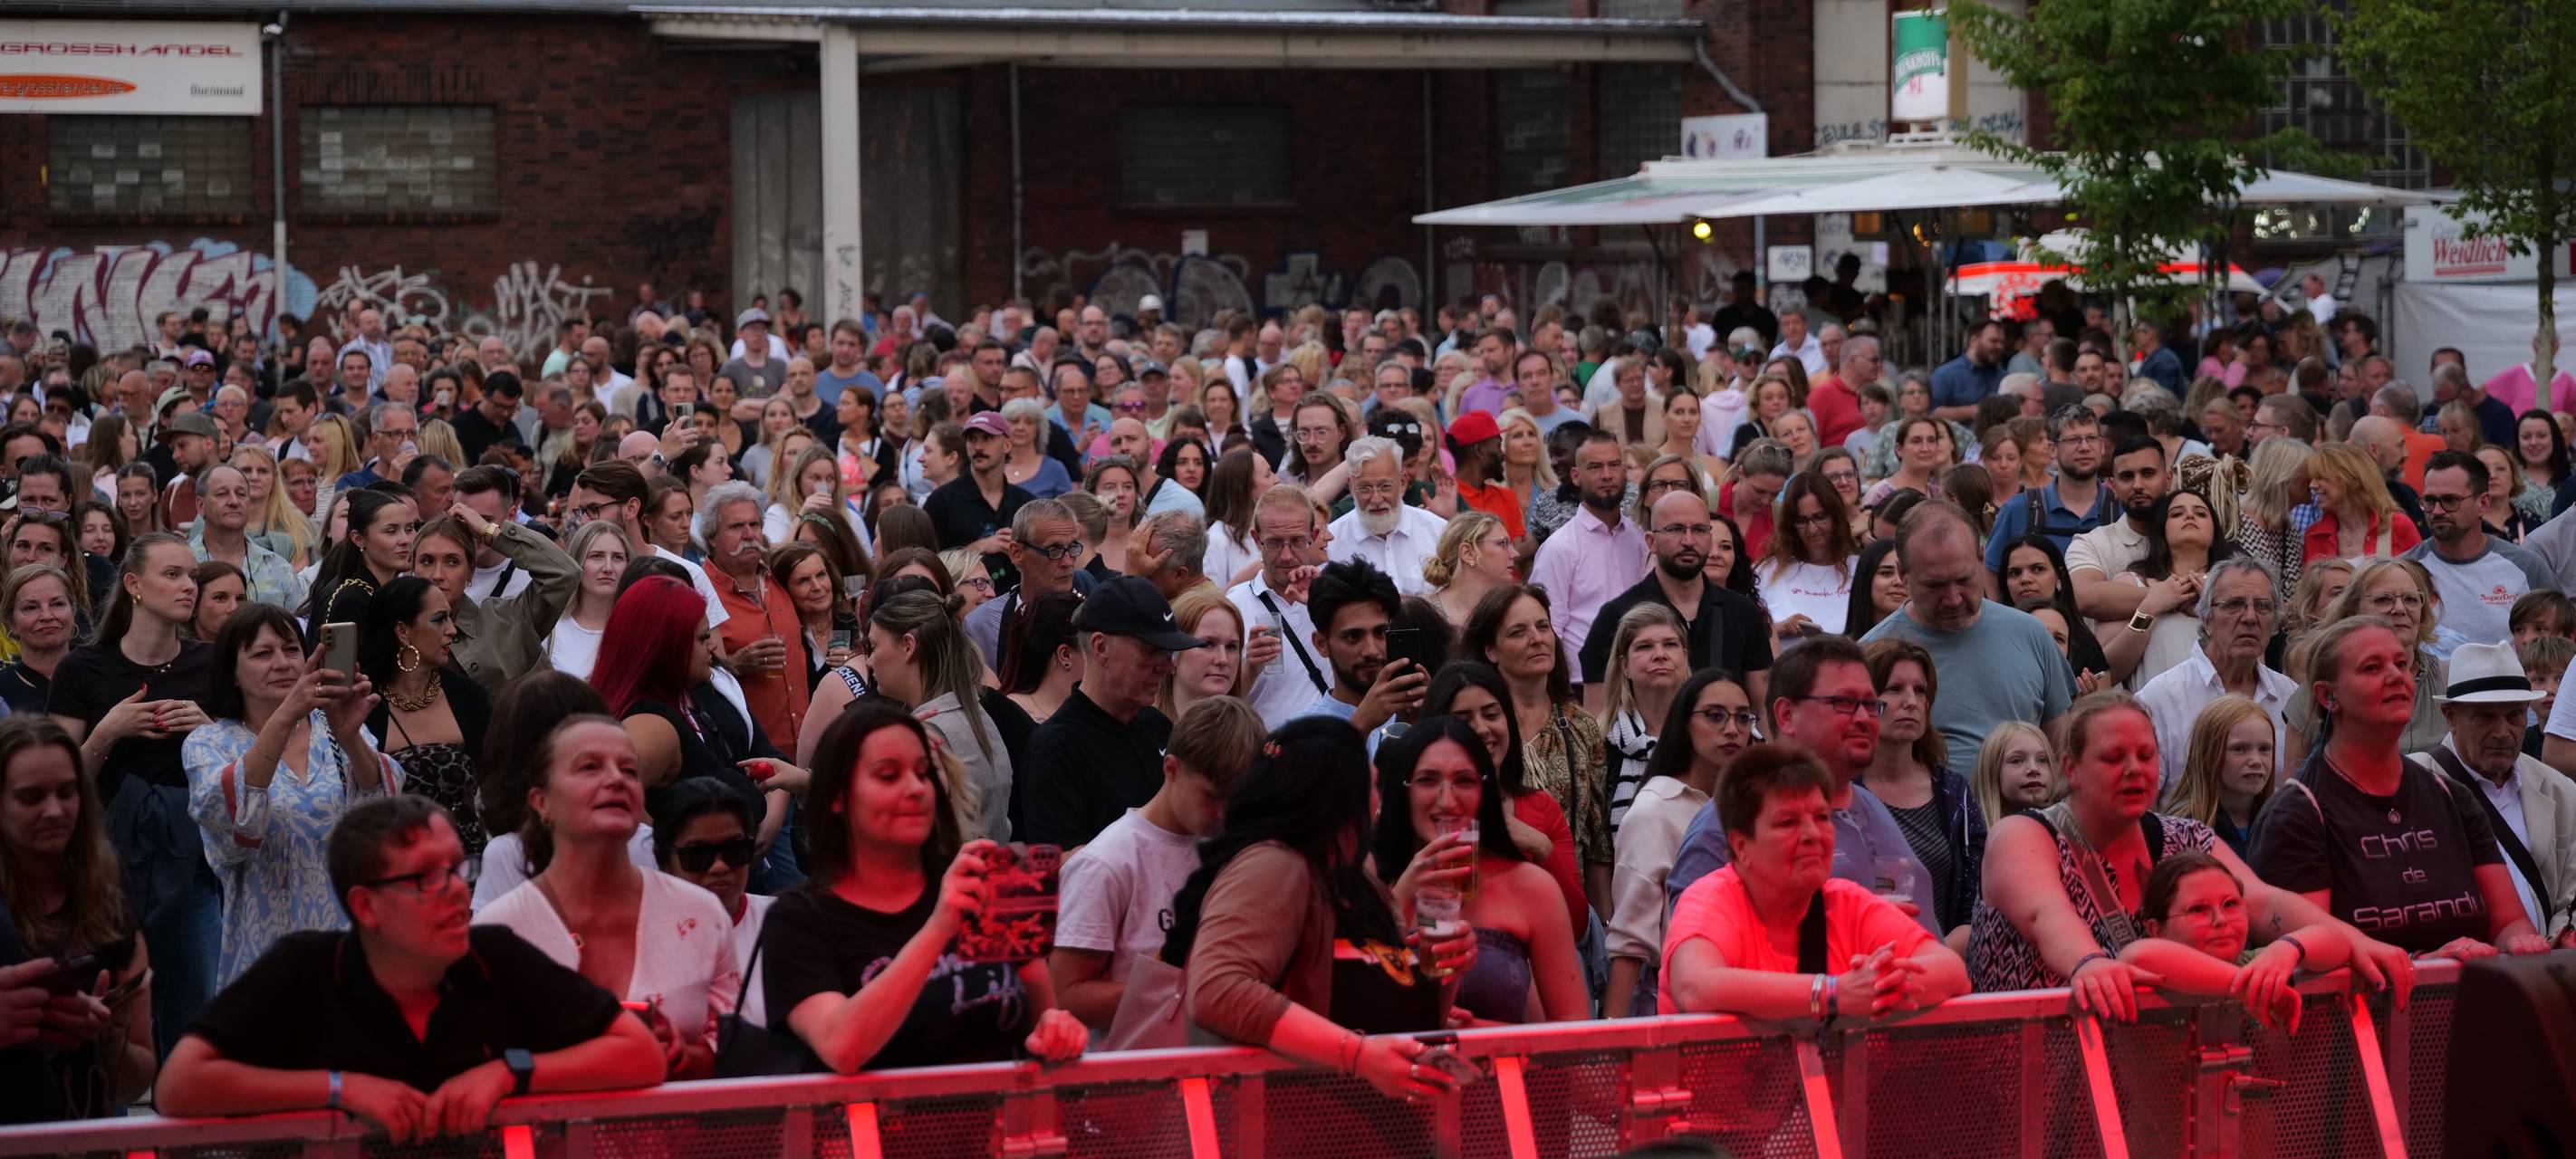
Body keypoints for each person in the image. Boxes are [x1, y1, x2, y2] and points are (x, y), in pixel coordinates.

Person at [154, 796, 666, 1140]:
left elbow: (640, 1054)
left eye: (457, 869)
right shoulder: (304, 967)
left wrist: (509, 1073)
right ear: (366, 906)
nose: (456, 890)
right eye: (425, 877)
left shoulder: (496, 955)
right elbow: (179, 1086)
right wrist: (341, 1088)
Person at [1971, 691, 2412, 1019]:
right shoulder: (2024, 833)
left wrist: (2366, 947)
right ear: (2071, 769)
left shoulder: (2183, 836)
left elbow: (2262, 902)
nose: (2134, 769)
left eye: (2146, 755)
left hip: (2135, 1082)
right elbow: (2044, 913)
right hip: (2026, 1075)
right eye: (2112, 757)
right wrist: (2089, 963)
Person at [762, 703, 1088, 1072]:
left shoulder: (986, 883)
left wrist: (1058, 1033)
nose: (916, 788)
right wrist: (940, 926)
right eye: (888, 775)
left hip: (1001, 1122)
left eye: (923, 772)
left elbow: (1043, 1016)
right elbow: (842, 1046)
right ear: (837, 797)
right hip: (880, 1127)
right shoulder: (799, 920)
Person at [1162, 718, 1471, 1101]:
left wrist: (1441, 970)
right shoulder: (1274, 865)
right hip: (1290, 1132)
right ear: (1338, 796)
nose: (1378, 801)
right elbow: (1217, 992)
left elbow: (1407, 1024)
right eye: (1371, 786)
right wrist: (1357, 1054)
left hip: (1387, 1133)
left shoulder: (1362, 882)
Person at [2250, 618, 2553, 959]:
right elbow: (2311, 954)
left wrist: (2518, 942)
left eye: (2401, 664)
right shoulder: (2298, 814)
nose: (2396, 676)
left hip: (2473, 1006)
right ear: (2327, 695)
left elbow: (2509, 921)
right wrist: (2424, 964)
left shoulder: (2452, 797)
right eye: (2371, 668)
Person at [478, 715, 741, 1080]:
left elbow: (729, 1045)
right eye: (590, 767)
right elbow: (477, 1060)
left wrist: (685, 1057)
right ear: (542, 802)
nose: (617, 779)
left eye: (630, 770)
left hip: (684, 1133)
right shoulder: (499, 930)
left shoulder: (700, 912)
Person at [47, 532, 218, 1058]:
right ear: (133, 585)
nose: (188, 585)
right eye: (173, 574)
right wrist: (107, 732)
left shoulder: (210, 664)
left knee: (191, 1022)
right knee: (110, 1026)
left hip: (194, 867)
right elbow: (57, 782)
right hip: (107, 866)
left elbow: (246, 767)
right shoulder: (84, 668)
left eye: (192, 575)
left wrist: (209, 731)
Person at [1659, 742, 1970, 1018]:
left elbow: (1953, 972)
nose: (1813, 835)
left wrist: (1878, 986)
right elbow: (1695, 988)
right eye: (1788, 822)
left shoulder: (1847, 901)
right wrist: (1834, 994)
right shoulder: (1711, 899)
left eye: (1821, 817)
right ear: (1741, 846)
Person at [1665, 637, 1939, 935]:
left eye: (1871, 705)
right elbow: (1696, 956)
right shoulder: (1734, 816)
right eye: (1844, 702)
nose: (1863, 718)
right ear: (1786, 715)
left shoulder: (1870, 805)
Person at [183, 602, 393, 987]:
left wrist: (350, 738)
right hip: (266, 955)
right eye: (263, 653)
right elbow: (233, 838)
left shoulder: (333, 727)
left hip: (351, 946)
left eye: (291, 650)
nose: (281, 663)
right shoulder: (209, 743)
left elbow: (382, 822)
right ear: (232, 672)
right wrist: (287, 713)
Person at [1051, 696, 1263, 1031]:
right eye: (1212, 796)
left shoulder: (1231, 850)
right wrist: (1187, 989)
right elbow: (1065, 997)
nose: (1224, 813)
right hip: (1128, 1073)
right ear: (1172, 768)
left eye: (1236, 799)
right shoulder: (1106, 863)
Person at [1369, 717, 1587, 1024]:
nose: (1447, 801)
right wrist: (1402, 897)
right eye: (1428, 780)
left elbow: (1573, 1030)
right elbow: (1349, 1020)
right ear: (1402, 790)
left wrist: (1475, 1032)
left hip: (1506, 1069)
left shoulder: (1531, 888)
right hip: (1395, 1070)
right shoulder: (1366, 883)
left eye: (1465, 781)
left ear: (1485, 792)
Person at [0, 715, 157, 1122]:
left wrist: (110, 1035)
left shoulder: (108, 902)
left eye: (67, 792)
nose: (54, 811)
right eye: (31, 797)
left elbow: (133, 1083)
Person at [1861, 503, 2074, 774]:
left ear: (1981, 558)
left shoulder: (2032, 634)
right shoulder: (1873, 655)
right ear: (1903, 575)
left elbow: (2060, 748)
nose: (1953, 599)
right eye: (1934, 585)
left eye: (1964, 579)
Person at [2399, 641, 2576, 943]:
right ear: (2450, 717)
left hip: (2541, 971)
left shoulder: (2559, 789)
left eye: (2514, 716)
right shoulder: (2409, 785)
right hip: (2454, 972)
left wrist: (2564, 936)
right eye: (2484, 716)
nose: (2502, 731)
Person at [1605, 669, 1753, 1018]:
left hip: (1746, 989)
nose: (1732, 729)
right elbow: (1630, 941)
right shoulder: (1654, 810)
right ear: (1684, 724)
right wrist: (1608, 1045)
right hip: (1673, 1001)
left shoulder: (1752, 804)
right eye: (1715, 716)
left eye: (1743, 717)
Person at [1021, 576, 1205, 848]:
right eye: (1152, 651)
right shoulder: (1054, 750)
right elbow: (1066, 868)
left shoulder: (1157, 726)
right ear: (1100, 646)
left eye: (1169, 653)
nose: (1167, 667)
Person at [1462, 584, 1611, 910]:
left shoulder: (1582, 726)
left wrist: (1603, 930)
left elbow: (1597, 842)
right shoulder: (1479, 728)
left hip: (1566, 906)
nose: (1537, 638)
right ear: (1491, 650)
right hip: (1493, 903)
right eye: (1519, 631)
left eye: (1543, 626)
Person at [1580, 489, 1773, 709]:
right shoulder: (1616, 616)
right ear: (1651, 541)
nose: (1689, 541)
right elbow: (1597, 719)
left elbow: (1763, 712)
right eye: (1676, 529)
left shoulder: (1742, 613)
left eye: (1699, 530)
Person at [2115, 851, 2350, 1029]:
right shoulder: (2159, 978)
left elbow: (2339, 942)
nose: (2220, 920)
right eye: (2198, 909)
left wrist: (2288, 948)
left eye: (2230, 904)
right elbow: (2136, 956)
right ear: (2157, 930)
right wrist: (2246, 987)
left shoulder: (2255, 964)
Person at [1861, 638, 1986, 942]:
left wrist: (1936, 960)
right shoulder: (1836, 791)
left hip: (1943, 965)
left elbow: (1979, 901)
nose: (1912, 702)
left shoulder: (1953, 793)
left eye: (1920, 690)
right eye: (1894, 689)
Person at [2135, 558, 2296, 791]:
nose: (2250, 617)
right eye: (2234, 604)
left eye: (2262, 606)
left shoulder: (2290, 697)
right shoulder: (2160, 698)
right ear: (2207, 620)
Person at [867, 588, 1013, 841]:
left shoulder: (931, 731)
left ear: (908, 646)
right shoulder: (972, 711)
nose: (869, 661)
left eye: (874, 646)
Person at [2283, 558, 2451, 771]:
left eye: (2411, 599)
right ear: (2352, 611)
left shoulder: (2449, 679)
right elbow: (2293, 788)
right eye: (2383, 600)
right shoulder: (2319, 693)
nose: (2400, 609)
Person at [409, 507, 577, 697]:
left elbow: (565, 574)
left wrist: (490, 532)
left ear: (471, 570)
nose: (437, 575)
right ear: (412, 567)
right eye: (427, 561)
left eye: (452, 562)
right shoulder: (397, 633)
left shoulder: (510, 620)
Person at [649, 777, 773, 1030]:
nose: (720, 867)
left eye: (735, 850)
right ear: (662, 859)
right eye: (697, 855)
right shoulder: (637, 934)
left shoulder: (785, 923)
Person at [2404, 450, 2555, 651]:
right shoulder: (2406, 570)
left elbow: (2559, 642)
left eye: (2450, 500)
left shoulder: (2525, 566)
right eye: (2430, 501)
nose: (2437, 511)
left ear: (2483, 503)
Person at [1526, 430, 1648, 675]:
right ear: (1576, 476)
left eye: (1614, 465)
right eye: (1595, 467)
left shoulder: (1641, 539)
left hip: (1639, 679)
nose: (1607, 475)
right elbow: (1549, 628)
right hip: (1581, 685)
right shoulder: (1559, 548)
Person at [1227, 484, 1330, 728]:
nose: (1286, 556)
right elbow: (1220, 709)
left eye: (1296, 541)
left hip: (1332, 750)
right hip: (1266, 756)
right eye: (1274, 543)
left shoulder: (1334, 599)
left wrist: (1322, 605)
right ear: (1256, 539)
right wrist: (1250, 667)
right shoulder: (1233, 606)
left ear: (1313, 537)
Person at [1295, 558, 1426, 743]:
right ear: (1321, 644)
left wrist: (1427, 723)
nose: (1371, 651)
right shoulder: (1300, 734)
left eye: (1380, 633)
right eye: (1353, 637)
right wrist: (1360, 726)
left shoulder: (1418, 713)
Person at [961, 498, 1084, 673]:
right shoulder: (982, 625)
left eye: (1073, 548)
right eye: (1054, 550)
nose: (1067, 561)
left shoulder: (1093, 616)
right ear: (1016, 553)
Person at [1597, 603, 1688, 834]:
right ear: (1624, 666)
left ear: (1684, 657)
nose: (1660, 655)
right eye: (1644, 647)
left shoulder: (1714, 732)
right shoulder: (1597, 743)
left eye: (1670, 644)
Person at [1325, 436, 1447, 598]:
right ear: (1351, 486)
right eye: (1365, 488)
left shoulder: (1439, 532)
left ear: (1402, 482)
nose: (1376, 499)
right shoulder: (1330, 543)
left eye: (1385, 487)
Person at [2164, 694, 2279, 857]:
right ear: (2208, 754)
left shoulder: (2282, 822)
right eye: (2239, 749)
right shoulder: (2181, 831)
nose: (2256, 761)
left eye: (2265, 748)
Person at [301, 488, 417, 644]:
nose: (405, 540)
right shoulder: (351, 600)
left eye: (409, 529)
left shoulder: (390, 590)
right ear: (358, 539)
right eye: (391, 531)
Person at [1755, 470, 1860, 638]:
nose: (1812, 529)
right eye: (1801, 521)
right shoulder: (1767, 570)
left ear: (1835, 516)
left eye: (1820, 517)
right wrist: (1779, 628)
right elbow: (1745, 633)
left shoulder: (1859, 568)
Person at [2301, 443, 2419, 564]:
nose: (2312, 485)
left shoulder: (2398, 526)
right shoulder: (2315, 536)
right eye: (2312, 478)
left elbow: (2420, 579)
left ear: (2351, 478)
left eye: (2320, 477)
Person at [543, 522, 632, 681]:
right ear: (577, 562)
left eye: (617, 558)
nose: (608, 567)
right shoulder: (549, 628)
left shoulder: (638, 629)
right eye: (596, 556)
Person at [0, 564, 75, 714]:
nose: (47, 616)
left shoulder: (102, 673)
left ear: (73, 612)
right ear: (11, 622)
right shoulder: (2, 690)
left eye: (57, 604)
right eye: (31, 608)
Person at [1423, 512, 1517, 629]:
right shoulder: (1422, 615)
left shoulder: (1515, 611)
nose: (1515, 554)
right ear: (1468, 553)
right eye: (1502, 544)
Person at [1971, 721, 2057, 826]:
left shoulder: (2071, 834)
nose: (2034, 769)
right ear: (1993, 773)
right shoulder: (1974, 837)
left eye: (2043, 760)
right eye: (2017, 760)